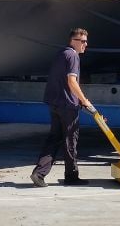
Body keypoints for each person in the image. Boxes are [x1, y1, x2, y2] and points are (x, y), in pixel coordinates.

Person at [30, 27, 94, 187]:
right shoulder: (73, 56)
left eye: (86, 41)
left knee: (54, 138)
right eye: (83, 41)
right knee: (70, 141)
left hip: (55, 103)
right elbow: (71, 81)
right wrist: (84, 100)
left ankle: (39, 173)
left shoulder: (61, 53)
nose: (86, 44)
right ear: (73, 41)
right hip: (67, 106)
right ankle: (71, 177)